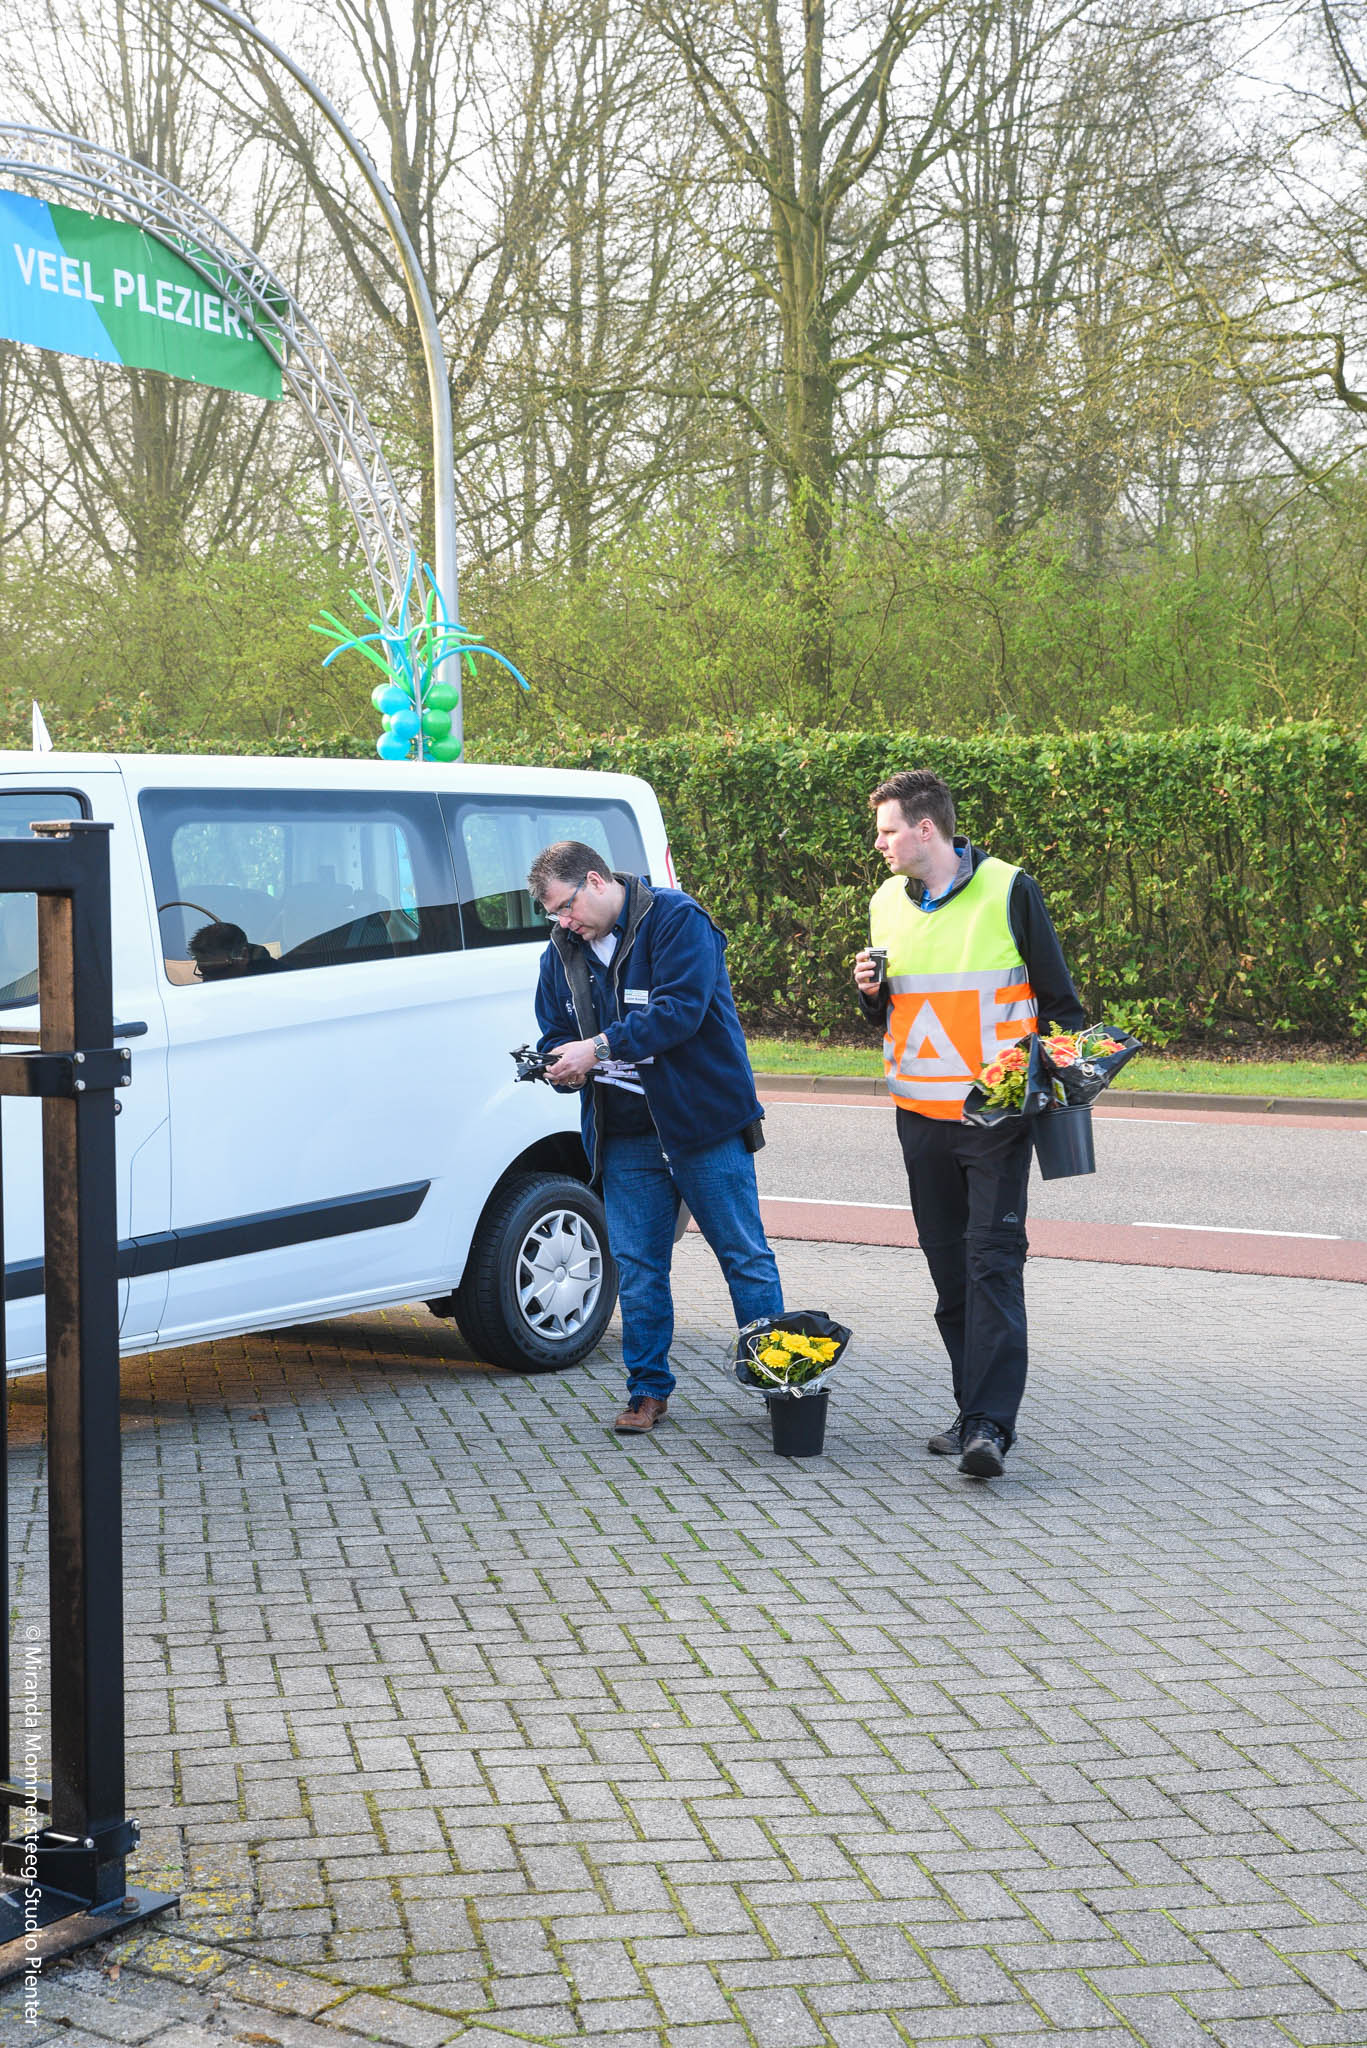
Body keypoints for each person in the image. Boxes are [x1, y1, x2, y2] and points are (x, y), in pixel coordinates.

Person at [852, 770, 1084, 1479]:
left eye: (888, 830)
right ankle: (967, 1412)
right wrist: (869, 994)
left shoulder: (1010, 889)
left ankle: (989, 1427)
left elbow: (1062, 1006)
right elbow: (897, 1007)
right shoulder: (885, 901)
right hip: (917, 1117)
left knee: (991, 1265)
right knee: (950, 1274)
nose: (879, 843)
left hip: (994, 1118)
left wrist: (1063, 1090)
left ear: (927, 829)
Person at [529, 841, 784, 1434]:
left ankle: (781, 1385)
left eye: (567, 907)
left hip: (702, 1125)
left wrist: (598, 1048)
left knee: (744, 1258)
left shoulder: (676, 921)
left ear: (595, 880)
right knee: (639, 1266)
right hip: (627, 1135)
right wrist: (558, 1064)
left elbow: (680, 1012)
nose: (564, 923)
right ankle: (647, 1391)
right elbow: (554, 1029)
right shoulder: (562, 951)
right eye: (554, 916)